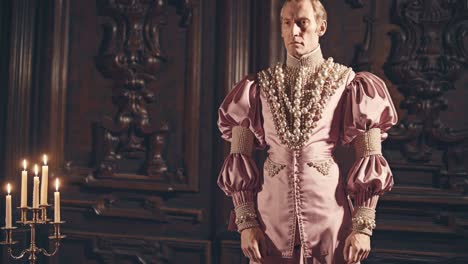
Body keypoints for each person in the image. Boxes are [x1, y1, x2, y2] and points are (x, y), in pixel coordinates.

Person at [216, 0, 398, 263]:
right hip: (270, 220)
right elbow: (237, 159)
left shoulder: (350, 83)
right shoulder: (256, 87)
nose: (294, 32)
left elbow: (369, 157)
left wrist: (363, 227)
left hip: (329, 219)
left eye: (302, 23)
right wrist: (245, 223)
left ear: (320, 26)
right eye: (287, 24)